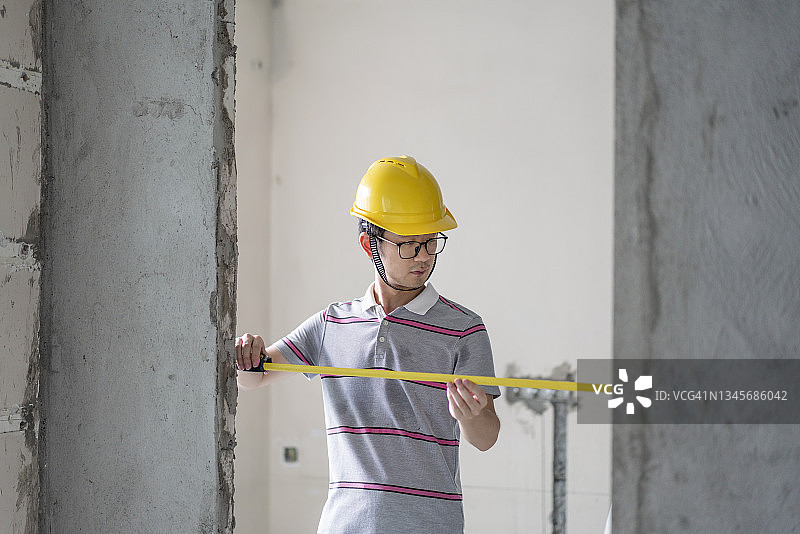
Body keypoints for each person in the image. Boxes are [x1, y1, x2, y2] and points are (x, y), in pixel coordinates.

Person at [236, 156, 501, 534]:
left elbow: (487, 438)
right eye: (409, 245)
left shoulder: (464, 329)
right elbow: (254, 379)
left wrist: (473, 417)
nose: (424, 256)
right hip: (346, 526)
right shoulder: (333, 324)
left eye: (431, 242)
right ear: (369, 244)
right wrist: (247, 358)